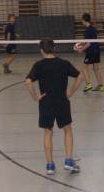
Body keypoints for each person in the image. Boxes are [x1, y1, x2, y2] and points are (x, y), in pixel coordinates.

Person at [25, 39, 83, 175]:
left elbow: (28, 81)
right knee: (67, 130)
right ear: (54, 48)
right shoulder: (64, 63)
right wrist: (71, 92)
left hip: (46, 102)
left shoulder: (38, 65)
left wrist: (35, 97)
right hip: (62, 101)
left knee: (48, 132)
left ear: (41, 51)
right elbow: (80, 76)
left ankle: (50, 166)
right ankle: (68, 161)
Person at [78, 13, 104, 92]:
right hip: (97, 50)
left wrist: (81, 49)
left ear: (84, 20)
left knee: (84, 68)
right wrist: (81, 43)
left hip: (91, 52)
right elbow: (89, 40)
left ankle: (88, 85)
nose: (81, 21)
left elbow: (88, 44)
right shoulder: (93, 28)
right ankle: (101, 86)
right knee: (96, 68)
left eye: (82, 20)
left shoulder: (87, 31)